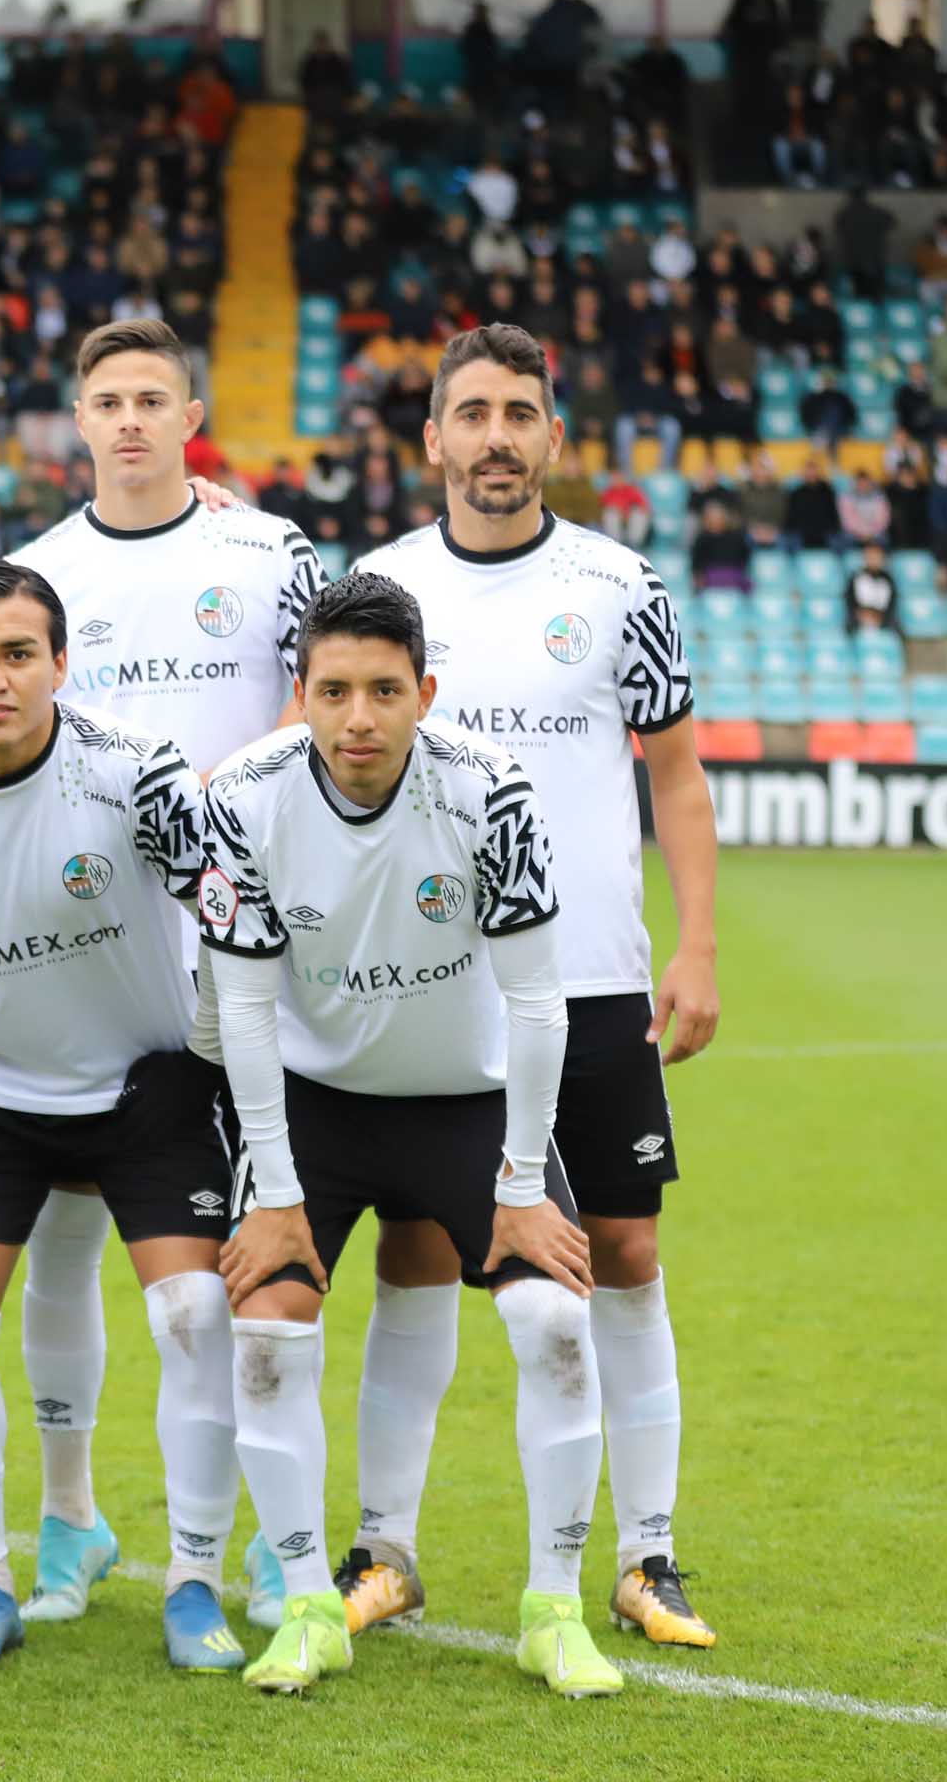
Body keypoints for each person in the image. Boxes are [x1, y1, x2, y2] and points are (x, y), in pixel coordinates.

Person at [358, 324, 723, 1652]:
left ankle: (649, 1554)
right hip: (433, 987)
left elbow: (675, 774)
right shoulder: (382, 587)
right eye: (475, 413)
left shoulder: (625, 587)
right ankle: (384, 1548)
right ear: (436, 438)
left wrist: (696, 947)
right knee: (417, 1248)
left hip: (589, 983)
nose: (498, 436)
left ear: (553, 438)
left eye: (522, 413)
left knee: (623, 1251)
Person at [201, 572, 622, 1700]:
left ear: (425, 690)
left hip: (465, 1100)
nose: (358, 718)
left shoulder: (491, 790)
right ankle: (305, 1607)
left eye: (385, 690)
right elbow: (241, 1005)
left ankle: (554, 1606)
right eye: (333, 690)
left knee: (554, 1323)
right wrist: (275, 1189)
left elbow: (539, 1003)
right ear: (300, 692)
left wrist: (526, 1183)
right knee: (266, 1323)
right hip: (314, 1102)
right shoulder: (243, 796)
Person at [0, 560, 247, 1674]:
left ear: (61, 663)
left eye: (18, 654)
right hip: (0, 1092)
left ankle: (193, 1581)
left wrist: (211, 1054)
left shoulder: (138, 772)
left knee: (192, 1316)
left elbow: (227, 913)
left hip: (145, 1082)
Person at [1, 317, 320, 1624]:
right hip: (80, 952)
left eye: (152, 397)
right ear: (76, 419)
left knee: (248, 1254)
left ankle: (252, 1526)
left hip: (237, 958)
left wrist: (219, 812)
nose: (129, 419)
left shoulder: (271, 555)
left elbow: (314, 710)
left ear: (191, 411)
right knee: (63, 1243)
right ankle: (70, 1516)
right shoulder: (31, 571)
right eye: (107, 400)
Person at [845, 540, 899, 632]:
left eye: (876, 556)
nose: (873, 559)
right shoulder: (856, 577)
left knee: (894, 625)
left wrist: (879, 617)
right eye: (870, 556)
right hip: (860, 617)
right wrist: (862, 615)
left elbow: (891, 604)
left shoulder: (888, 580)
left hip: (882, 618)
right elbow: (850, 601)